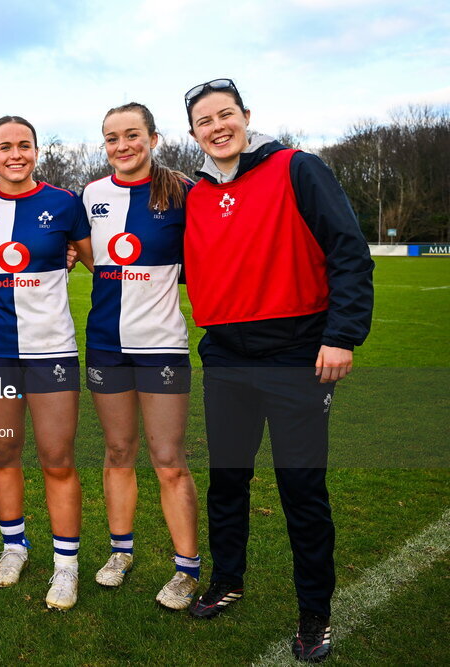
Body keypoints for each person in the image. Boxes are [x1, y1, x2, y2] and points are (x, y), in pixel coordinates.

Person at [181, 78, 373, 662]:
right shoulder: (195, 195)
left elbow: (348, 251)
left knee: (301, 490)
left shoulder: (298, 167)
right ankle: (228, 578)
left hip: (296, 359)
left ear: (245, 116)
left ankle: (315, 613)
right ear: (194, 134)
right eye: (204, 121)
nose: (217, 127)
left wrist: (341, 335)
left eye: (225, 115)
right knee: (227, 481)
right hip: (225, 359)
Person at [80, 103, 200, 611]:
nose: (122, 145)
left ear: (153, 137)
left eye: (132, 135)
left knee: (169, 459)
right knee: (118, 452)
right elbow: (86, 254)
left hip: (162, 346)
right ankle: (120, 552)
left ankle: (187, 570)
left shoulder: (182, 192)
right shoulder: (90, 195)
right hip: (106, 343)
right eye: (112, 138)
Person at [0, 116, 93, 611]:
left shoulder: (64, 203)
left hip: (52, 350)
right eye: (5, 147)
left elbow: (97, 262)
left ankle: (66, 566)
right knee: (3, 455)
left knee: (57, 459)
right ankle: (13, 546)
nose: (15, 154)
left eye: (24, 145)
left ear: (37, 151)